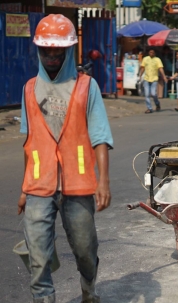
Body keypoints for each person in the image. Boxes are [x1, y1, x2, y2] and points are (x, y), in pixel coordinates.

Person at [17, 14, 113, 303]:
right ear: (38, 50)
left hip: (78, 184)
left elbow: (100, 137)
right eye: (46, 50)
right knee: (37, 255)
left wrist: (103, 182)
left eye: (58, 50)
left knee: (85, 249)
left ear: (69, 50)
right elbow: (29, 142)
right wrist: (24, 188)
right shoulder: (29, 88)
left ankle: (88, 288)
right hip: (38, 185)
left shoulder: (87, 86)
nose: (51, 56)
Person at [139, 48, 168, 114]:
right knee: (147, 94)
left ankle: (157, 103)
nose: (151, 54)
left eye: (152, 52)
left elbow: (160, 68)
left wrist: (164, 76)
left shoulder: (157, 60)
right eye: (150, 52)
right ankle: (149, 108)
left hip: (154, 79)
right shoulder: (145, 59)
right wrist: (140, 75)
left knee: (154, 93)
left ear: (155, 53)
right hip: (146, 79)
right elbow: (143, 68)